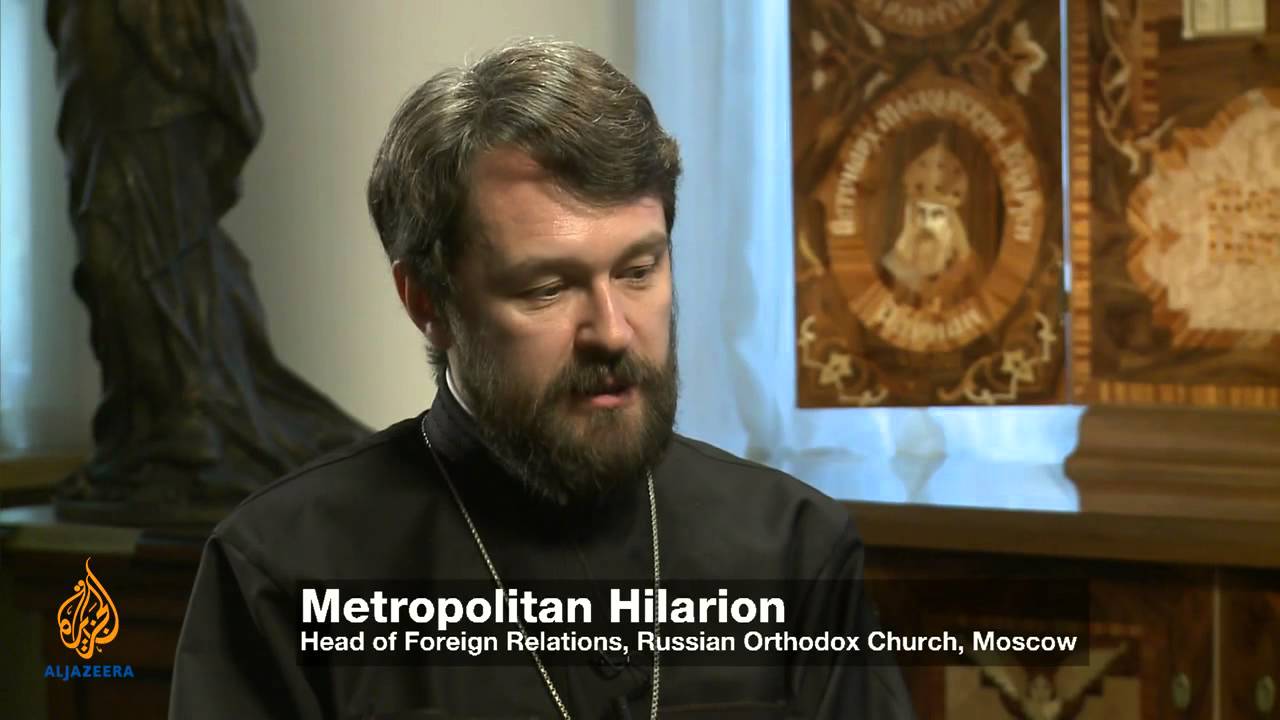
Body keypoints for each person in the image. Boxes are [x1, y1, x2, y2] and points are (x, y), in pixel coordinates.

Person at [170, 39, 914, 719]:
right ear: (428, 302)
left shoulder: (794, 550)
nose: (612, 332)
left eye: (638, 271)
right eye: (547, 288)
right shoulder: (282, 572)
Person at [881, 138, 982, 313]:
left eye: (937, 215)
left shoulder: (969, 280)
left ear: (952, 224)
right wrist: (901, 256)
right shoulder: (887, 274)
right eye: (920, 213)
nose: (926, 223)